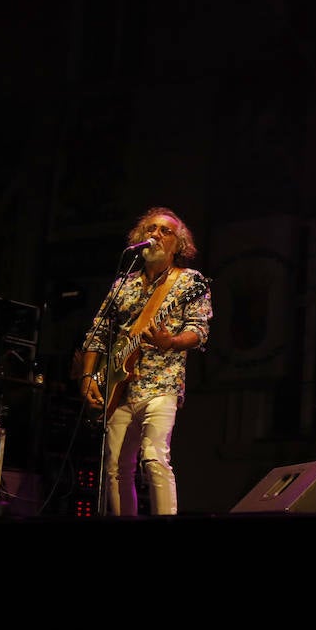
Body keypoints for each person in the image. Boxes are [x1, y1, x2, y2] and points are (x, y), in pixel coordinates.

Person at [78, 207, 213, 516]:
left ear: (178, 245)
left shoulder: (189, 282)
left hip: (161, 384)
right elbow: (96, 335)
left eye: (166, 231)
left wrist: (172, 342)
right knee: (114, 468)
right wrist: (87, 377)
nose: (156, 234)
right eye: (151, 229)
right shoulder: (123, 285)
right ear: (140, 238)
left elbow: (199, 330)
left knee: (153, 458)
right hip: (120, 389)